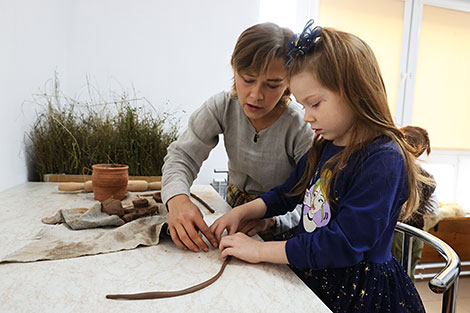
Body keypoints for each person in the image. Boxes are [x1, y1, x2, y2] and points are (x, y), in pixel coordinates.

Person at [211, 21, 432, 312]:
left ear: (355, 92)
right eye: (303, 106)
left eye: (314, 104)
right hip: (313, 270)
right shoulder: (326, 143)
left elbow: (343, 244)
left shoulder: (384, 159)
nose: (306, 117)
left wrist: (262, 249)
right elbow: (288, 193)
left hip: (358, 293)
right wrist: (244, 211)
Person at [161, 22, 314, 252]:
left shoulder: (302, 128)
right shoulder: (222, 106)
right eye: (248, 79)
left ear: (290, 83)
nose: (256, 95)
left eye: (272, 85)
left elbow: (314, 205)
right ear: (234, 69)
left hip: (279, 232)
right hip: (231, 210)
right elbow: (183, 156)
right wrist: (178, 200)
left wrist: (271, 221)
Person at [391, 125, 439, 281]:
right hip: (416, 235)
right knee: (408, 276)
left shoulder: (390, 169)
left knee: (391, 276)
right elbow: (433, 211)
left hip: (393, 234)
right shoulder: (428, 178)